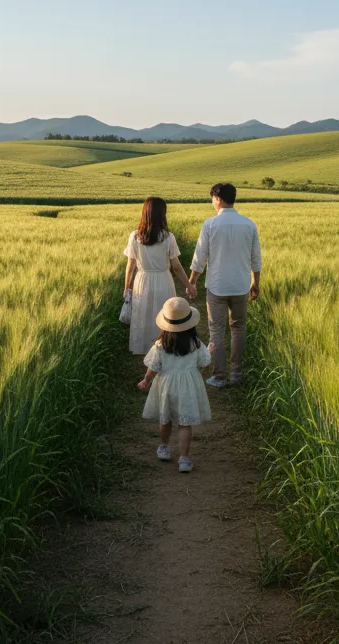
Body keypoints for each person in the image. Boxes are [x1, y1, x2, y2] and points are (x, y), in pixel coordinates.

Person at [188, 182, 261, 387]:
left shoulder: (210, 224)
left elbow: (199, 257)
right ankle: (237, 374)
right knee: (239, 328)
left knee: (217, 330)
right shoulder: (249, 224)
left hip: (217, 286)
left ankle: (220, 376)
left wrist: (192, 281)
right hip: (241, 286)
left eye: (213, 199)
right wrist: (256, 283)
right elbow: (256, 258)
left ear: (217, 199)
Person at [137, 297, 212, 473]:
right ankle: (184, 459)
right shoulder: (195, 344)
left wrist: (146, 380)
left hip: (166, 387)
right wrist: (209, 351)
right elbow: (204, 362)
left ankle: (164, 447)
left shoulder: (160, 345)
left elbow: (153, 367)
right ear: (190, 325)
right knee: (185, 424)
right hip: (188, 388)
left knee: (166, 419)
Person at [124, 197, 197, 355]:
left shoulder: (134, 236)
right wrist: (189, 285)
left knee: (143, 314)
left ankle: (145, 349)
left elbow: (131, 265)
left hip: (142, 280)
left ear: (144, 213)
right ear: (162, 214)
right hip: (163, 280)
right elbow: (176, 267)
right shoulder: (168, 237)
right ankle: (164, 347)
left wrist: (127, 288)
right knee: (165, 314)